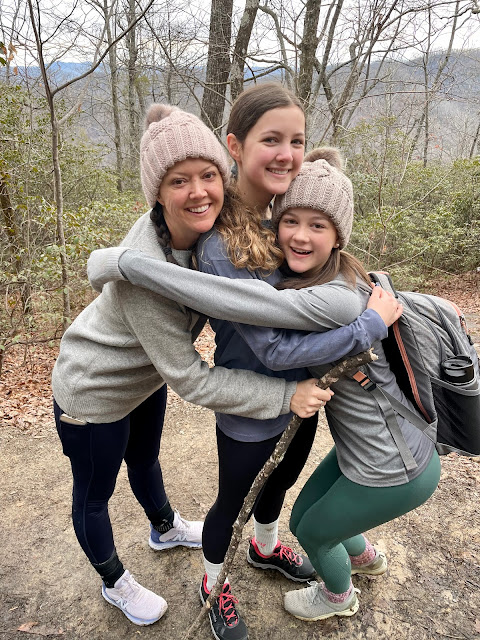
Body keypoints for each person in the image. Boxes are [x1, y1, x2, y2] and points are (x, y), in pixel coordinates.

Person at [87, 85, 403, 639]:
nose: (286, 153)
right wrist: (364, 327)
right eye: (271, 140)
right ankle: (213, 584)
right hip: (249, 401)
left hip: (303, 395)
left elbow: (322, 263)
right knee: (233, 500)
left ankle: (263, 547)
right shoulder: (219, 242)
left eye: (297, 141)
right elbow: (270, 345)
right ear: (236, 146)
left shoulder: (281, 213)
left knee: (279, 483)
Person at [52, 103, 334, 628]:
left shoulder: (199, 237)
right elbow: (190, 377)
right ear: (156, 192)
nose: (199, 190)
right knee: (95, 493)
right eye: (179, 181)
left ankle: (163, 527)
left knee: (146, 460)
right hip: (93, 389)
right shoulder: (146, 272)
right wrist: (282, 397)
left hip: (146, 376)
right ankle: (115, 580)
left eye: (207, 175)